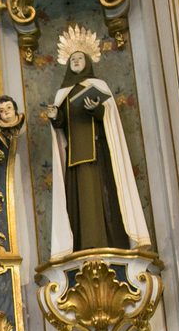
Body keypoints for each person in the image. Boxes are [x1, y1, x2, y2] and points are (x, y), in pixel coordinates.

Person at [45, 25, 151, 260]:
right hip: (73, 157)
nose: (76, 61)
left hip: (98, 153)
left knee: (99, 196)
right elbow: (62, 124)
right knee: (77, 201)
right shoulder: (62, 94)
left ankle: (104, 241)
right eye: (72, 58)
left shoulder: (99, 87)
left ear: (88, 62)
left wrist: (97, 110)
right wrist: (55, 117)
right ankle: (80, 245)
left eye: (80, 58)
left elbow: (109, 119)